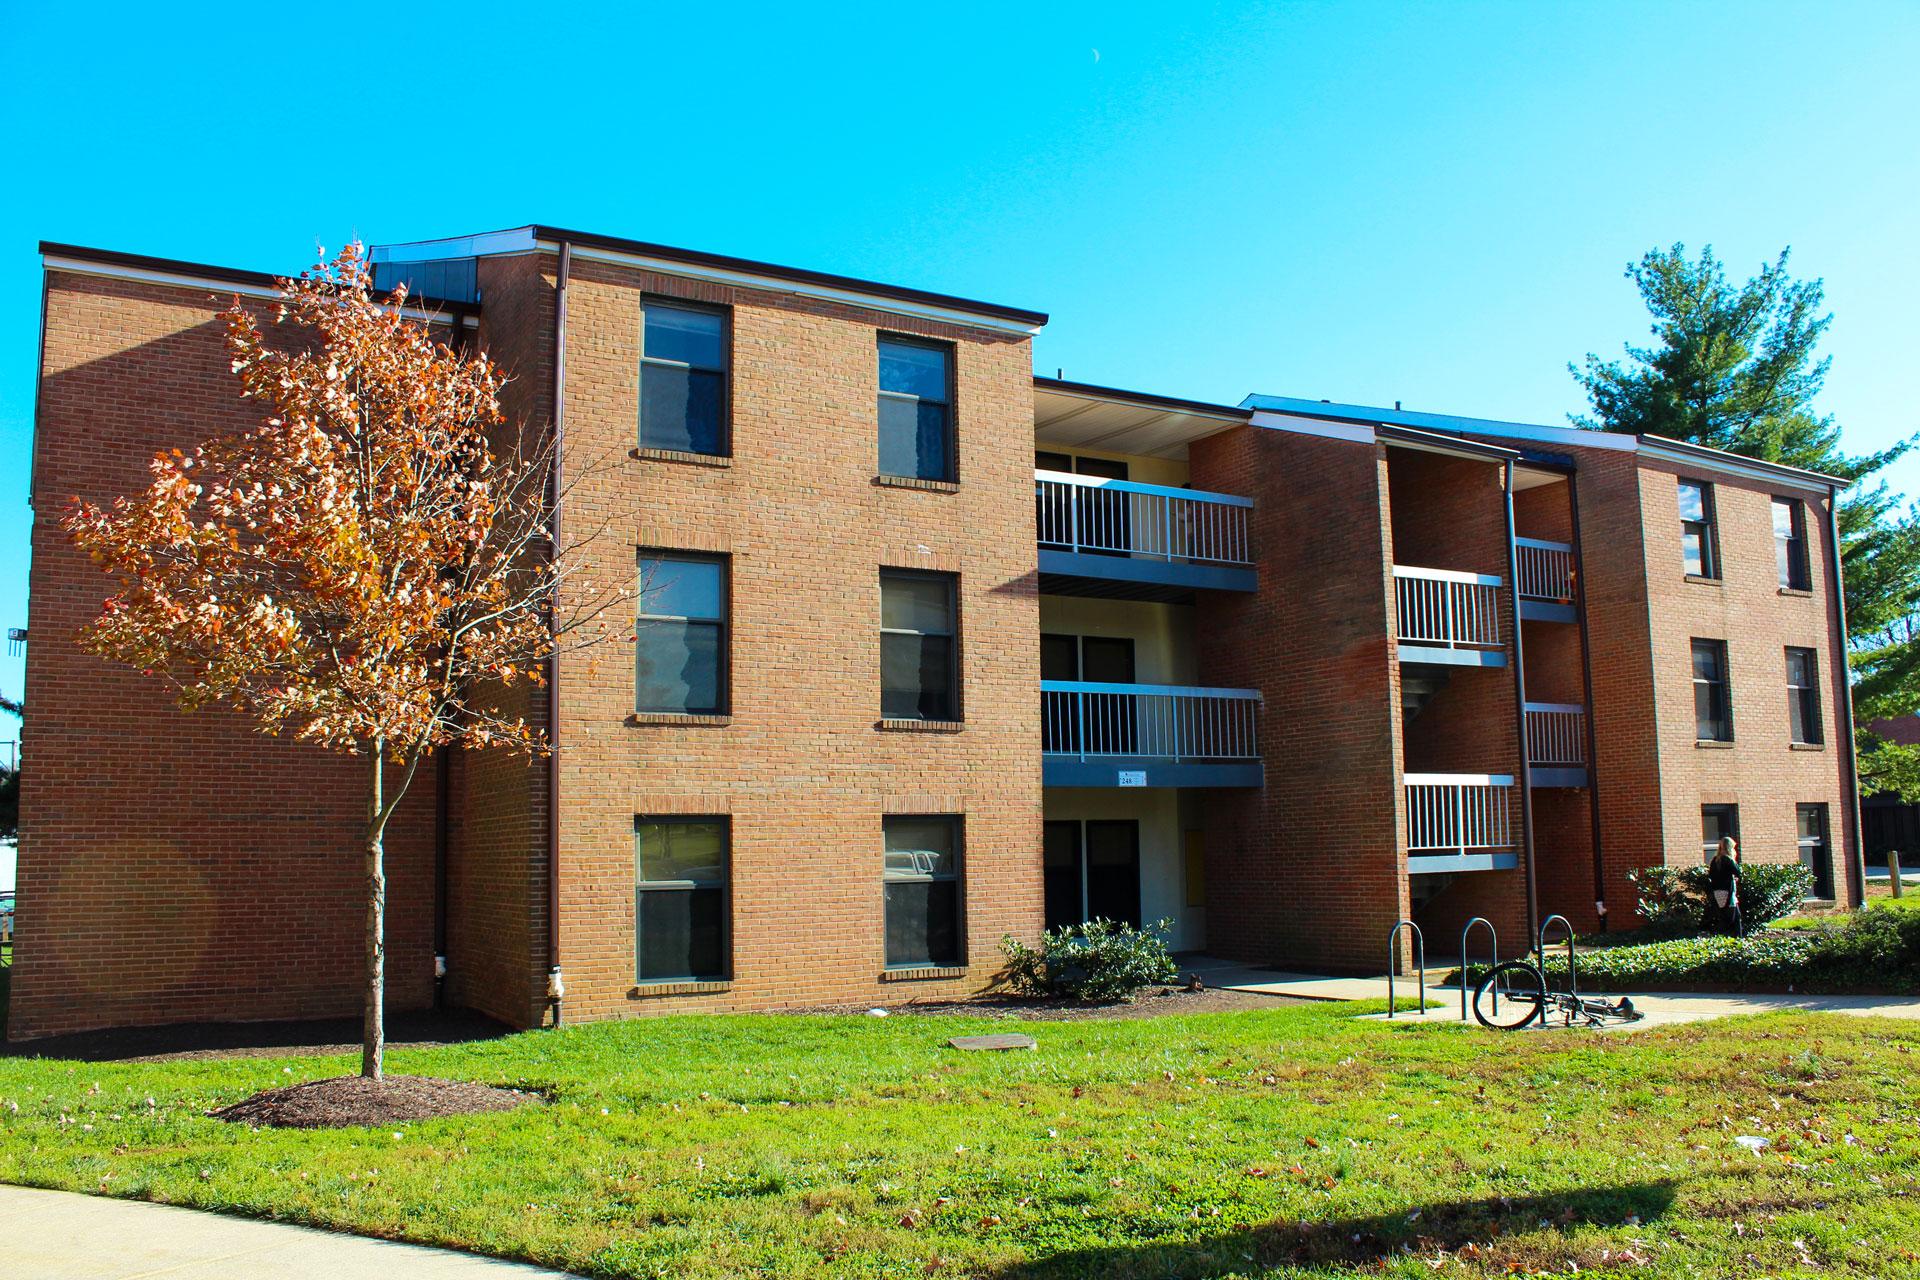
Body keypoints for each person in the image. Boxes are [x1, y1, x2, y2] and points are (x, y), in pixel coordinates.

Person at [1707, 836, 1744, 936]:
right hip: (1728, 892)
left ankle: (1726, 937)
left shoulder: (1715, 860)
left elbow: (1711, 875)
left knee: (1726, 915)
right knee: (1733, 918)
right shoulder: (1728, 860)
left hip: (1718, 892)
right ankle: (1735, 938)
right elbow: (1738, 871)